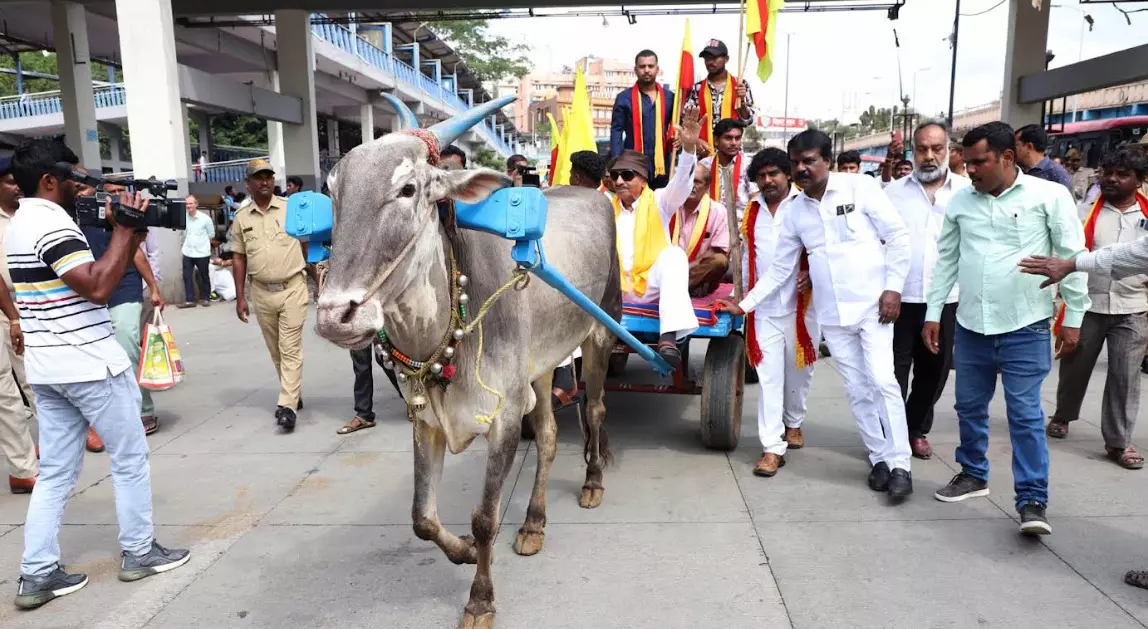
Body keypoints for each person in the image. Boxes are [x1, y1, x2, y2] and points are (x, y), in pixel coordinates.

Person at [9, 138, 189, 610]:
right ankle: (140, 551)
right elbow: (98, 286)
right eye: (73, 178)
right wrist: (127, 231)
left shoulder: (18, 223)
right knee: (129, 459)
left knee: (54, 474)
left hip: (49, 369)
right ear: (49, 182)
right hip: (89, 364)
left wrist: (118, 231)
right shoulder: (50, 224)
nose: (81, 187)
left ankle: (37, 573)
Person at [717, 129, 915, 500]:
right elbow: (780, 270)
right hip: (833, 316)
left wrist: (894, 288)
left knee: (883, 381)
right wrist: (743, 305)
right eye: (797, 163)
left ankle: (900, 462)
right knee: (857, 389)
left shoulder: (860, 188)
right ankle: (880, 459)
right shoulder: (795, 212)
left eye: (810, 161)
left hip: (874, 307)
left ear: (828, 160)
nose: (802, 168)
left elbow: (899, 237)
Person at [925, 121, 1088, 537]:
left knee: (1025, 416)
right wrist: (933, 311)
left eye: (979, 161)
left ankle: (1033, 499)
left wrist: (1073, 317)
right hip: (972, 325)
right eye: (967, 161)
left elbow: (1071, 256)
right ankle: (973, 473)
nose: (970, 169)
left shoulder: (1049, 195)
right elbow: (946, 259)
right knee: (968, 407)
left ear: (1008, 158)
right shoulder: (962, 202)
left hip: (1026, 325)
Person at [1017, 148, 1147, 469]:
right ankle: (1063, 414)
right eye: (1107, 173)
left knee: (1125, 377)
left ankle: (1118, 442)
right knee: (1075, 365)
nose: (1111, 180)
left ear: (1140, 181)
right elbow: (1065, 254)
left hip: (1133, 306)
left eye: (1122, 174)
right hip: (1088, 303)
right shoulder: (1084, 210)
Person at [884, 121, 969, 460]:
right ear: (913, 152)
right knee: (892, 373)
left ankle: (915, 428)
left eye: (937, 149)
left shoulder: (966, 191)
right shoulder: (892, 194)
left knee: (933, 373)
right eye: (922, 149)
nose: (929, 156)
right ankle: (890, 437)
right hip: (899, 299)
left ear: (949, 151)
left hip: (946, 299)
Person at [739, 147, 818, 477]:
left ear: (788, 174)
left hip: (803, 306)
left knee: (798, 374)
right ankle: (773, 447)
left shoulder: (807, 206)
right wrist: (742, 295)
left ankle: (794, 421)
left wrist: (812, 272)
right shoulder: (752, 211)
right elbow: (747, 257)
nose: (768, 180)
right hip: (763, 307)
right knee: (769, 379)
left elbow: (825, 249)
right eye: (761, 176)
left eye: (774, 173)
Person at [611, 106, 704, 366]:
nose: (619, 181)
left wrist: (687, 150)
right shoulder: (606, 206)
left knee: (674, 255)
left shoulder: (661, 199)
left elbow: (682, 184)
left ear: (643, 180)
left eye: (627, 175)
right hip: (612, 290)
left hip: (650, 287)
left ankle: (668, 337)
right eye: (615, 175)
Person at [230, 159, 317, 432]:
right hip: (261, 293)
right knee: (276, 350)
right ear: (249, 184)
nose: (265, 181)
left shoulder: (291, 210)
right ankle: (292, 393)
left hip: (292, 287)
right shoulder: (242, 218)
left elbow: (307, 248)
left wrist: (320, 281)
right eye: (258, 177)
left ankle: (287, 406)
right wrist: (240, 297)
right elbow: (238, 257)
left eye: (268, 176)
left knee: (290, 348)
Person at [81, 178, 165, 441]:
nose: (117, 196)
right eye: (112, 191)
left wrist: (153, 287)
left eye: (121, 191)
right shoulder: (75, 219)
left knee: (128, 342)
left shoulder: (121, 217)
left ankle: (143, 409)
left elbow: (137, 253)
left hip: (125, 288)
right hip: (90, 291)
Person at [0, 155, 37, 494]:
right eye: (10, 181)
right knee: (5, 392)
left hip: (30, 302)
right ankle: (23, 467)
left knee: (36, 377)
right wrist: (12, 317)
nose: (17, 186)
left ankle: (37, 453)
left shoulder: (30, 215)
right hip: (6, 308)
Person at [610, 50, 675, 189]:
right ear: (635, 69)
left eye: (651, 66)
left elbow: (676, 127)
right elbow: (616, 131)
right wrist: (616, 163)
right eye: (642, 66)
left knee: (660, 207)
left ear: (657, 69)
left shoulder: (670, 98)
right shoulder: (624, 98)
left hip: (662, 165)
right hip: (632, 164)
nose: (646, 70)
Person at [669, 164, 730, 297]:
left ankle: (678, 287)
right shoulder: (668, 206)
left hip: (696, 270)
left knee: (720, 260)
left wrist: (689, 266)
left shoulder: (718, 211)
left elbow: (717, 251)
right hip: (667, 268)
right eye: (688, 180)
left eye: (697, 182)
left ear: (707, 187)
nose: (691, 185)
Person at [685, 39, 755, 145]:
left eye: (714, 58)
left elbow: (747, 121)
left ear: (726, 59)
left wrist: (742, 102)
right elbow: (687, 121)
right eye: (707, 58)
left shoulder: (740, 85)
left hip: (732, 150)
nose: (710, 62)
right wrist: (696, 141)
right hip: (703, 152)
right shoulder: (697, 88)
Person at [699, 118, 754, 224]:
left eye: (737, 138)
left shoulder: (749, 165)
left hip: (741, 227)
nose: (734, 143)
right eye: (728, 138)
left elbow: (755, 198)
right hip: (710, 226)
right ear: (716, 140)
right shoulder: (704, 166)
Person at [1015, 124, 1074, 194]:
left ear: (1029, 147)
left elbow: (1068, 202)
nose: (1012, 149)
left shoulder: (1056, 173)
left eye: (1016, 145)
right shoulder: (1017, 171)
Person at [179, 194, 213, 308]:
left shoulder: (205, 219)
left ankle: (206, 298)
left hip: (202, 252)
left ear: (196, 204)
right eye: (187, 204)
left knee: (204, 275)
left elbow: (211, 234)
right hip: (188, 251)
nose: (188, 206)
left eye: (190, 203)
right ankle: (190, 300)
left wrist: (201, 242)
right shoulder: (183, 217)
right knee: (187, 275)